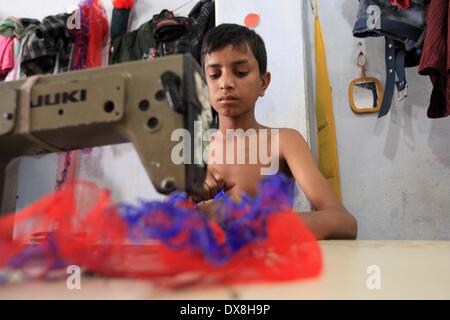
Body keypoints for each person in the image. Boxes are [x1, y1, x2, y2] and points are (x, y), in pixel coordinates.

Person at [195, 23, 357, 240]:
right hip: (213, 270)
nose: (225, 83)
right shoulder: (197, 147)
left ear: (263, 82)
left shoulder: (284, 142)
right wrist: (191, 199)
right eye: (214, 75)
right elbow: (164, 224)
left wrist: (247, 220)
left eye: (240, 72)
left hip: (272, 268)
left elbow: (344, 223)